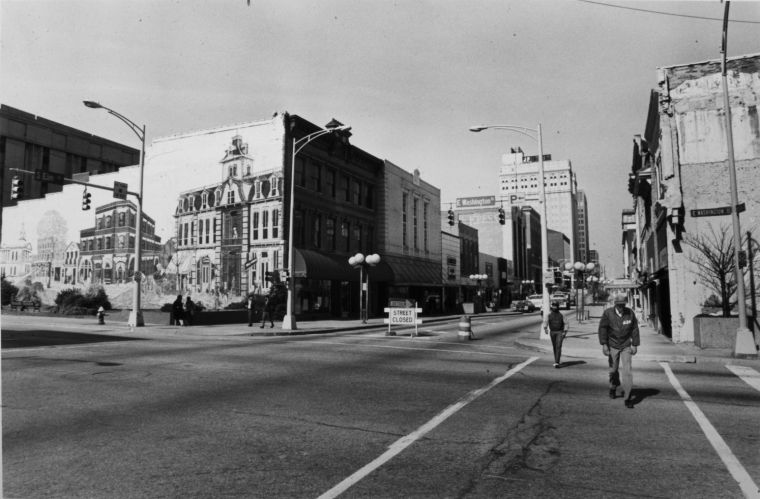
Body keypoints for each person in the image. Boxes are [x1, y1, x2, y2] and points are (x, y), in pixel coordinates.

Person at [598, 293, 640, 408]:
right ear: (615, 304)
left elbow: (634, 329)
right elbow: (603, 329)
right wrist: (604, 344)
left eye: (623, 305)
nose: (621, 307)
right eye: (619, 305)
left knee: (627, 372)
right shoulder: (608, 313)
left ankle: (628, 398)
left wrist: (635, 344)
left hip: (626, 345)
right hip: (613, 344)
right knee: (613, 369)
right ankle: (613, 386)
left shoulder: (630, 313)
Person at [543, 301, 569, 368]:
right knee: (555, 346)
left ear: (558, 307)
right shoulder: (549, 315)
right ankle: (556, 360)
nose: (554, 307)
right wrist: (545, 328)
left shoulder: (562, 315)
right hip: (552, 332)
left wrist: (565, 331)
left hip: (560, 332)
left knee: (558, 346)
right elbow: (546, 321)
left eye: (555, 306)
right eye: (553, 306)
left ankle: (557, 362)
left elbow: (566, 323)